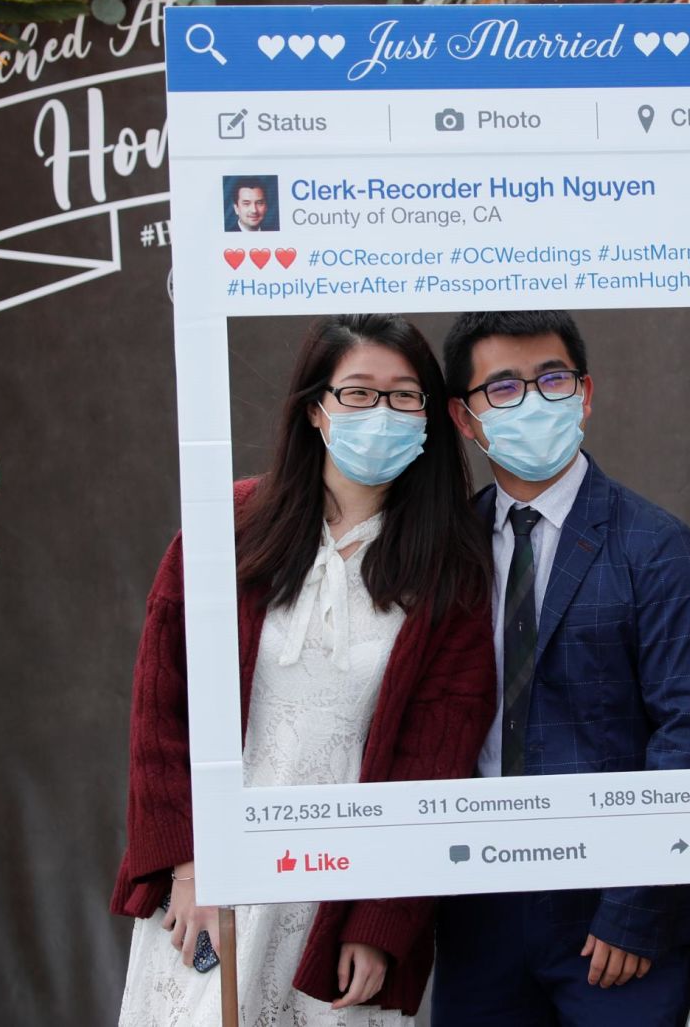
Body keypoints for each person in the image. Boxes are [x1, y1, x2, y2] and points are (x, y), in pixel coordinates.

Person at [111, 315, 495, 1025]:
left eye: (403, 396)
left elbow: (436, 760)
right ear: (316, 408)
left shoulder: (453, 568)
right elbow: (159, 712)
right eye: (358, 392)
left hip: (341, 899)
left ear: (429, 418)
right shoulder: (226, 526)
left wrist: (381, 921)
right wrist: (188, 866)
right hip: (213, 883)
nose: (380, 413)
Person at [432, 310, 690, 1027]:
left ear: (585, 394)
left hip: (611, 920)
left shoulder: (655, 547)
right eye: (502, 386)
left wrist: (637, 905)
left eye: (551, 378)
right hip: (478, 906)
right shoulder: (445, 552)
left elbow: (688, 737)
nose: (532, 399)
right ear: (465, 417)